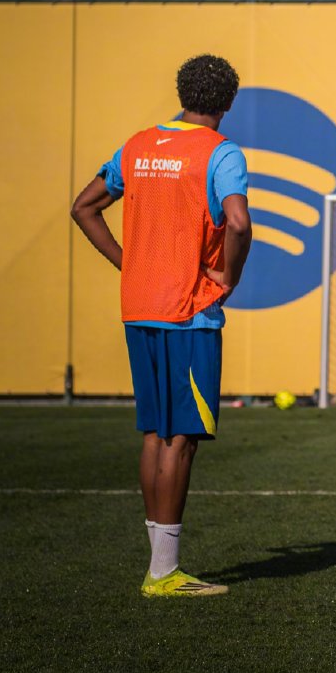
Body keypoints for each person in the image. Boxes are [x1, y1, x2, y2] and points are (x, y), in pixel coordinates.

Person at [70, 54, 251, 597]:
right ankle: (164, 573)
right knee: (180, 439)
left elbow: (83, 207)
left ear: (181, 93)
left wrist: (131, 264)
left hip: (140, 306)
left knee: (155, 433)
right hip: (188, 311)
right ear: (228, 102)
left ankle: (159, 568)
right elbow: (238, 221)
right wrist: (229, 278)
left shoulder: (138, 145)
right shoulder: (220, 152)